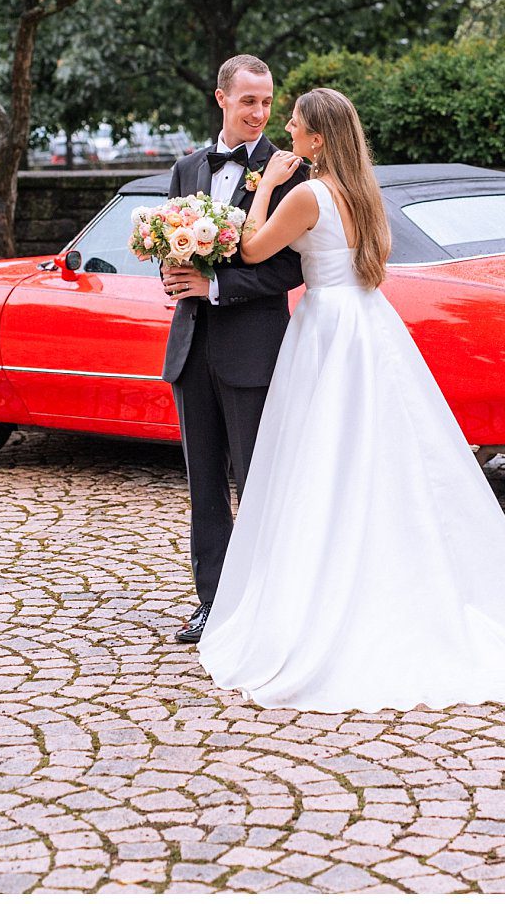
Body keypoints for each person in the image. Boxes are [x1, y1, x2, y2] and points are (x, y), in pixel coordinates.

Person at [197, 87, 505, 712]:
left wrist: (265, 186)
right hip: (369, 324)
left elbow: (250, 249)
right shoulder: (361, 192)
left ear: (319, 139)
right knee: (382, 457)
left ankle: (329, 590)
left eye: (295, 124)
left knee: (325, 459)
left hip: (327, 331)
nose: (287, 131)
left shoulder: (305, 193)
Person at [161, 54, 308, 645]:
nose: (260, 112)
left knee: (257, 481)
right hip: (191, 348)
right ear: (221, 99)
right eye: (249, 101)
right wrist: (172, 273)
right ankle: (212, 603)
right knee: (205, 488)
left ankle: (268, 606)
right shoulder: (186, 168)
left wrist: (216, 285)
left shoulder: (288, 170)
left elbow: (293, 269)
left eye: (268, 102)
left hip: (252, 349)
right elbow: (172, 247)